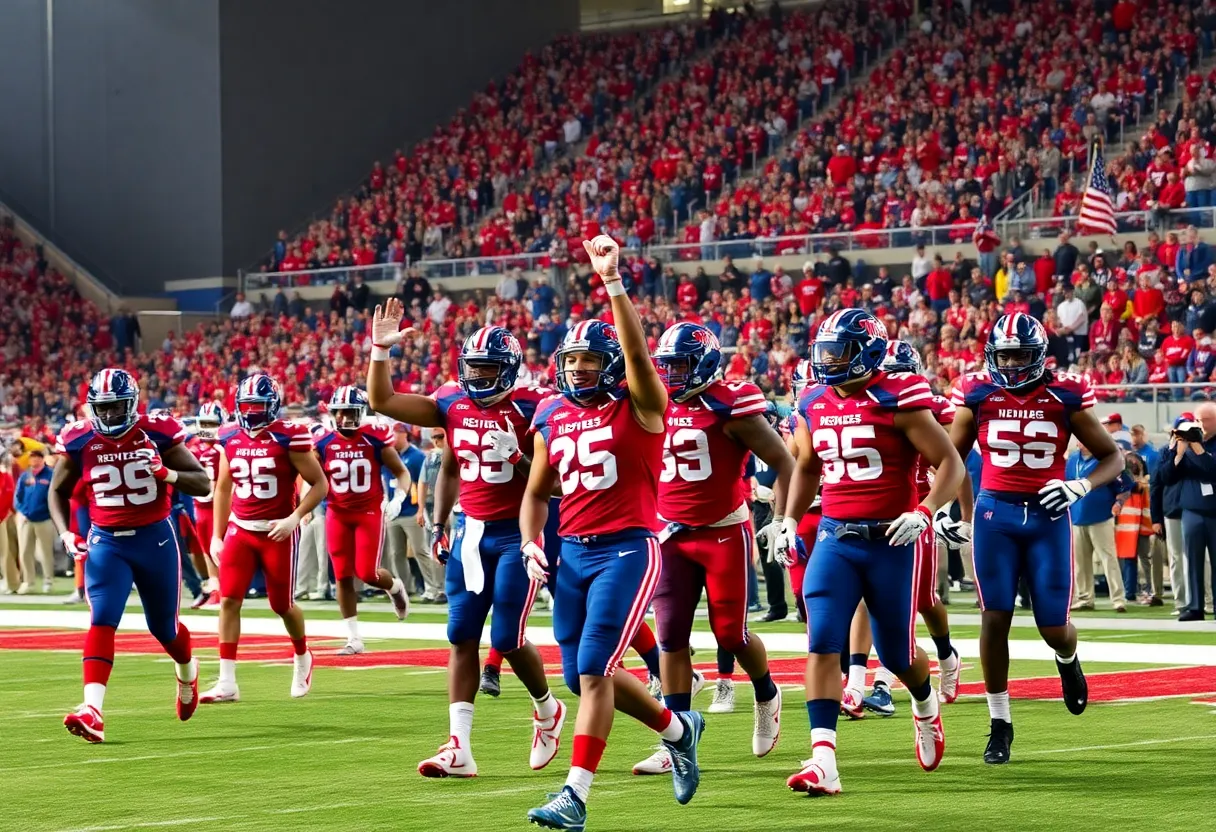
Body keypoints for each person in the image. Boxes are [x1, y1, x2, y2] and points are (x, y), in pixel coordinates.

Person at [520, 236, 705, 829]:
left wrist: (613, 283)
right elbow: (536, 491)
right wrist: (530, 540)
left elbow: (639, 358)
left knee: (596, 669)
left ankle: (574, 795)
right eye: (572, 359)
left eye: (590, 360)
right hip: (571, 554)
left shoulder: (640, 403)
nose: (579, 368)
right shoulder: (552, 413)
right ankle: (678, 730)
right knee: (579, 678)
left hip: (627, 548)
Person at [366, 313, 566, 778]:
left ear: (509, 369)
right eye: (473, 367)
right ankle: (459, 746)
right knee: (460, 635)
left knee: (507, 638)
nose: (478, 376)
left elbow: (554, 485)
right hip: (471, 532)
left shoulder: (534, 406)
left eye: (488, 368)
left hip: (518, 532)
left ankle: (547, 708)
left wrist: (516, 455)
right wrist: (380, 351)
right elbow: (386, 403)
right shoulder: (452, 401)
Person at [783, 309, 964, 795]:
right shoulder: (813, 399)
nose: (828, 361)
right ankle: (824, 760)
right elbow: (807, 465)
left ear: (866, 352)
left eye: (838, 352)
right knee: (822, 641)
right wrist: (787, 519)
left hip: (892, 540)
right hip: (834, 538)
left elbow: (951, 462)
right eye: (824, 352)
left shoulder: (898, 395)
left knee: (898, 653)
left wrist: (926, 510)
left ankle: (925, 705)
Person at [949, 313, 1124, 765]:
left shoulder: (1065, 393)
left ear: (1040, 355)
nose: (1010, 364)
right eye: (1004, 355)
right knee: (994, 618)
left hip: (1048, 515)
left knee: (1053, 628)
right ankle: (999, 723)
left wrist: (1080, 485)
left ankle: (1067, 658)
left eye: (1020, 355)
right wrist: (944, 510)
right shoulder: (978, 393)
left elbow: (1113, 457)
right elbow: (950, 458)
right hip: (995, 515)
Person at [631, 322, 791, 777]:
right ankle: (677, 736)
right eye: (666, 366)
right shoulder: (652, 403)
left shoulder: (730, 404)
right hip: (670, 535)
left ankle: (766, 692)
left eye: (680, 365)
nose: (671, 374)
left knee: (731, 634)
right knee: (670, 637)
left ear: (703, 363)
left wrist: (782, 518)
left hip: (722, 531)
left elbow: (785, 461)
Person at [50, 368, 211, 742]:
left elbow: (202, 482)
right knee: (102, 619)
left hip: (155, 540)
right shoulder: (79, 438)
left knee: (164, 629)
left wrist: (166, 473)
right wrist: (65, 533)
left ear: (132, 403)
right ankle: (93, 710)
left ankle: (187, 668)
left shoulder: (157, 431)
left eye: (116, 406)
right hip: (106, 542)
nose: (108, 415)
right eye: (102, 408)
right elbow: (57, 491)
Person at [852, 341, 967, 720]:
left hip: (918, 510)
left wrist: (957, 514)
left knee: (922, 600)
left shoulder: (931, 407)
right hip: (878, 513)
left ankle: (946, 655)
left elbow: (955, 464)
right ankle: (870, 684)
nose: (895, 380)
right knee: (872, 599)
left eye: (901, 373)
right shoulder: (865, 405)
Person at [199, 374, 329, 703]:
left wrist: (294, 517)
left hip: (277, 530)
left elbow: (320, 484)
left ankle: (302, 655)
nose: (252, 412)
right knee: (229, 600)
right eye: (247, 406)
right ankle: (227, 681)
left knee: (281, 605)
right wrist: (217, 535)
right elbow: (223, 488)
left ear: (272, 406)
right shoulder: (230, 435)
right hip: (240, 529)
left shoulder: (289, 436)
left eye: (258, 405)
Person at [314, 386, 412, 655]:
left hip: (368, 511)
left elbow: (402, 472)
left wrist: (398, 497)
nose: (344, 417)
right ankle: (353, 638)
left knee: (367, 573)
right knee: (342, 576)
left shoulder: (373, 438)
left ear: (361, 412)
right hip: (337, 512)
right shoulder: (322, 441)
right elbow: (311, 475)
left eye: (350, 412)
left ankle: (394, 586)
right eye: (340, 412)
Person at [1158, 403, 1216, 621]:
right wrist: (1178, 454)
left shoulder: (1201, 446)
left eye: (1205, 420)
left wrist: (1198, 448)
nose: (1200, 425)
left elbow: (1212, 471)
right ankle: (1195, 606)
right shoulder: (1184, 444)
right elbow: (1165, 477)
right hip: (1191, 508)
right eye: (1198, 420)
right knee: (1192, 560)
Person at [1066, 443, 1133, 612]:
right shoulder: (1073, 460)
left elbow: (1125, 484)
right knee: (1080, 563)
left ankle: (1118, 599)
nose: (1082, 442)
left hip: (1101, 516)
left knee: (1108, 559)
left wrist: (1119, 502)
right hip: (1077, 516)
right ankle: (1085, 598)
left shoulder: (1105, 459)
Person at [383, 424, 434, 603]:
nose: (393, 437)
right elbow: (384, 480)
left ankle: (433, 588)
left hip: (411, 510)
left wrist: (421, 508)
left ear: (404, 434)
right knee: (396, 554)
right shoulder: (389, 455)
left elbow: (424, 483)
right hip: (393, 512)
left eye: (396, 433)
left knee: (421, 551)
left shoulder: (416, 456)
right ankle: (404, 589)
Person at [188, 401, 226, 608]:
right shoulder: (194, 447)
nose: (207, 428)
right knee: (206, 549)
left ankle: (225, 589)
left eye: (211, 424)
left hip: (217, 506)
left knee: (219, 549)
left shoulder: (223, 447)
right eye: (204, 423)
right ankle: (215, 589)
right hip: (199, 505)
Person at [14, 447, 55, 594]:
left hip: (44, 519)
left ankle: (48, 581)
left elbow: (54, 497)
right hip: (26, 519)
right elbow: (18, 497)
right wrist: (23, 512)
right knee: (25, 551)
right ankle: (28, 582)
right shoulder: (25, 476)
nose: (34, 459)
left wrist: (48, 512)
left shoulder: (50, 475)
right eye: (32, 457)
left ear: (42, 458)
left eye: (37, 457)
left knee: (45, 552)